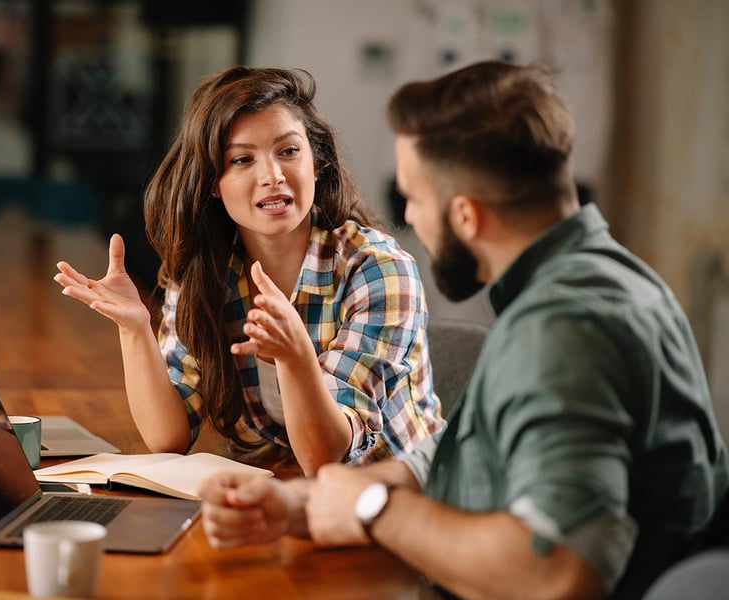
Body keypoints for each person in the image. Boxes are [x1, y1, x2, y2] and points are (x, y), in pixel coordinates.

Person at [196, 61, 729, 600]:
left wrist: (372, 509)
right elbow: (471, 453)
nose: (409, 217)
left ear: (467, 216)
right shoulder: (604, 278)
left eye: (415, 198)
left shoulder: (562, 332)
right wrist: (308, 504)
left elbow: (559, 573)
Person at [54, 66, 444, 476]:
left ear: (317, 163)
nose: (272, 176)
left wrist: (296, 358)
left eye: (289, 151)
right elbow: (167, 438)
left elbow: (326, 457)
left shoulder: (378, 269)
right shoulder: (207, 272)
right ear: (211, 184)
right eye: (242, 159)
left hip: (399, 500)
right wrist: (135, 329)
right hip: (287, 489)